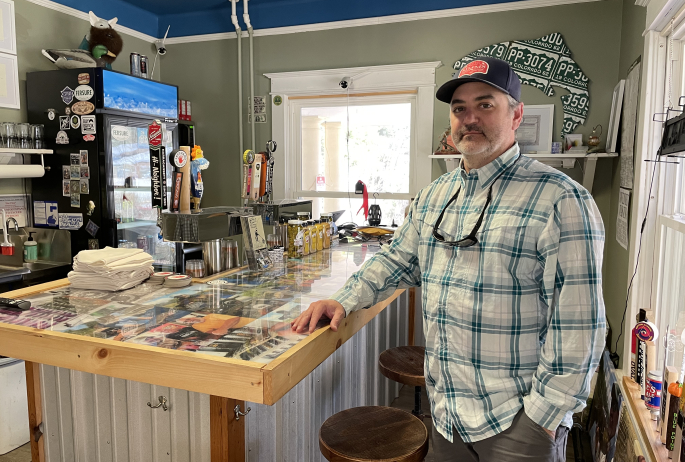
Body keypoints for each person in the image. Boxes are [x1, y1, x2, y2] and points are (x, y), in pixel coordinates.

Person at [291, 57, 606, 462]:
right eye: (459, 108)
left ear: (517, 115)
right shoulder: (434, 196)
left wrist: (542, 419)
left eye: (485, 104)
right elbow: (398, 260)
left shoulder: (561, 199)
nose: (469, 118)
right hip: (446, 417)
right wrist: (345, 298)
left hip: (517, 423)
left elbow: (579, 325)